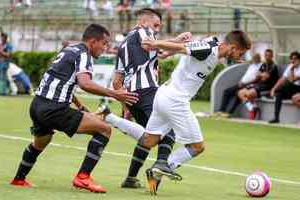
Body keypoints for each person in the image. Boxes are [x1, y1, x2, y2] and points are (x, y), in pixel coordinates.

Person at [101, 30, 251, 195]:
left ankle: (109, 117)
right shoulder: (208, 49)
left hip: (163, 95)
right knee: (197, 147)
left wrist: (166, 54)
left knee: (148, 140)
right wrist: (156, 44)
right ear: (232, 47)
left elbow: (185, 48)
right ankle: (162, 166)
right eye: (240, 53)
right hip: (175, 100)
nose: (240, 57)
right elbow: (183, 48)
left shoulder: (212, 44)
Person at [9, 24, 139, 193]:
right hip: (54, 109)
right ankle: (83, 177)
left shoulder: (68, 50)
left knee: (41, 142)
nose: (106, 47)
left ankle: (19, 179)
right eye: (104, 43)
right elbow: (85, 83)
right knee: (104, 129)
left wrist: (78, 105)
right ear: (93, 41)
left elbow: (61, 80)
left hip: (37, 105)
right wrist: (115, 94)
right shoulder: (84, 54)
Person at [113, 8, 190, 188]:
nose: (156, 30)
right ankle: (162, 163)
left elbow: (117, 81)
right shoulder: (143, 32)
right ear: (143, 22)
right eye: (155, 25)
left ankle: (131, 178)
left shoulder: (123, 44)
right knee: (169, 127)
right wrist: (178, 41)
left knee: (150, 137)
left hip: (132, 96)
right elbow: (150, 44)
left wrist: (125, 104)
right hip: (148, 90)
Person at [237, 49, 279, 119]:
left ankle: (253, 108)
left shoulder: (274, 66)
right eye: (266, 55)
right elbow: (258, 75)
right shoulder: (264, 64)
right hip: (259, 85)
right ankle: (252, 108)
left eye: (269, 55)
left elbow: (266, 77)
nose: (267, 57)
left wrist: (262, 75)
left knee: (249, 94)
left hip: (267, 87)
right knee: (240, 93)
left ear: (272, 56)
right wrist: (262, 75)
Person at [269, 51, 300, 123]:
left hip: (298, 88)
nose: (293, 61)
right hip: (292, 89)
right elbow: (282, 79)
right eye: (292, 59)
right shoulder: (290, 66)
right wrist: (273, 89)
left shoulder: (293, 67)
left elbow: (293, 80)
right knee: (279, 94)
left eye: (295, 59)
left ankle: (279, 90)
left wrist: (292, 70)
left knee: (287, 84)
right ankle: (276, 118)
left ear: (299, 59)